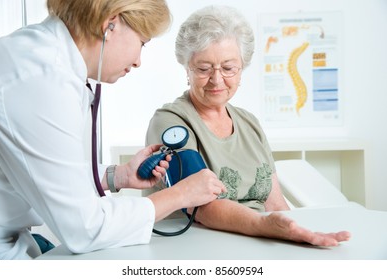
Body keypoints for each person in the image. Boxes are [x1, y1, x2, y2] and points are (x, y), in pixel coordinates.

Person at [0, 0, 226, 259]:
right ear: (110, 24)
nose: (139, 61)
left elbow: (43, 168)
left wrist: (117, 176)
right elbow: (85, 228)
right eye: (142, 42)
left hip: (19, 239)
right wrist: (180, 195)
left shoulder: (41, 56)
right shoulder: (40, 79)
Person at [145, 5, 351, 247]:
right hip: (197, 247)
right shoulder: (170, 122)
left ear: (242, 68)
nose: (217, 79)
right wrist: (264, 226)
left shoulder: (249, 123)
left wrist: (301, 235)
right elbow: (199, 205)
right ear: (186, 68)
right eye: (203, 69)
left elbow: (275, 204)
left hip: (262, 242)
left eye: (229, 68)